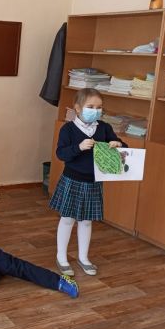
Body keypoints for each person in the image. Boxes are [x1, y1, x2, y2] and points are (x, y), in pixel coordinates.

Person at [50, 88, 126, 277]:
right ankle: (61, 257)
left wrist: (118, 144)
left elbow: (123, 147)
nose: (96, 110)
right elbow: (61, 154)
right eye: (91, 107)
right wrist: (79, 147)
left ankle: (83, 257)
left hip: (93, 182)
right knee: (67, 219)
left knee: (86, 222)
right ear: (77, 108)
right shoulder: (68, 129)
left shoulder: (104, 128)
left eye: (99, 107)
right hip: (72, 180)